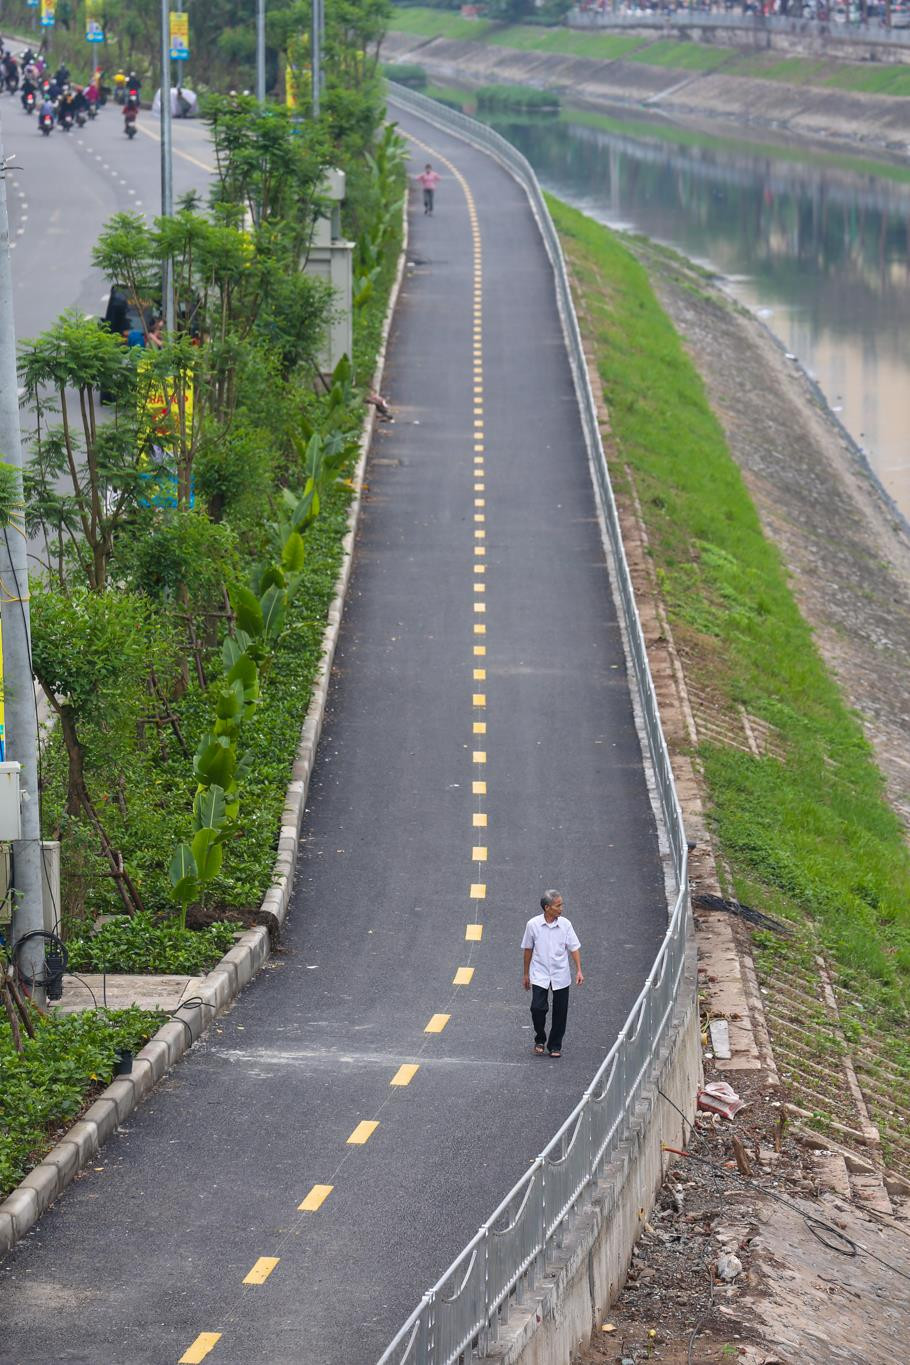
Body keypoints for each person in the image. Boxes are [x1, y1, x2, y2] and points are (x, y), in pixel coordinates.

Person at [521, 889, 583, 1058]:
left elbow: (574, 948)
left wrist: (579, 970)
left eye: (562, 904)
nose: (561, 908)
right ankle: (540, 1038)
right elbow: (528, 950)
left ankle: (555, 1045)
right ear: (547, 908)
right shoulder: (532, 925)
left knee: (560, 1012)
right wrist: (526, 974)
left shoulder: (566, 925)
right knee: (537, 1008)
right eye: (558, 905)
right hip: (539, 973)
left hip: (560, 974)